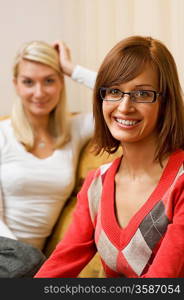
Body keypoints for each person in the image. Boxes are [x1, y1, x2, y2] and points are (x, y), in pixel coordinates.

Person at [35, 35, 184, 278]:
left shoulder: (180, 183)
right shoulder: (96, 184)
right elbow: (57, 269)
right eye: (114, 91)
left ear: (165, 103)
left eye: (142, 94)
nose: (124, 106)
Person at [0, 40, 96, 277]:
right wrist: (21, 259)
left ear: (62, 83)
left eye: (49, 80)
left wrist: (72, 69)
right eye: (28, 82)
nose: (39, 93)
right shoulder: (2, 134)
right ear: (16, 85)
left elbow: (124, 97)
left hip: (27, 264)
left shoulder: (76, 130)